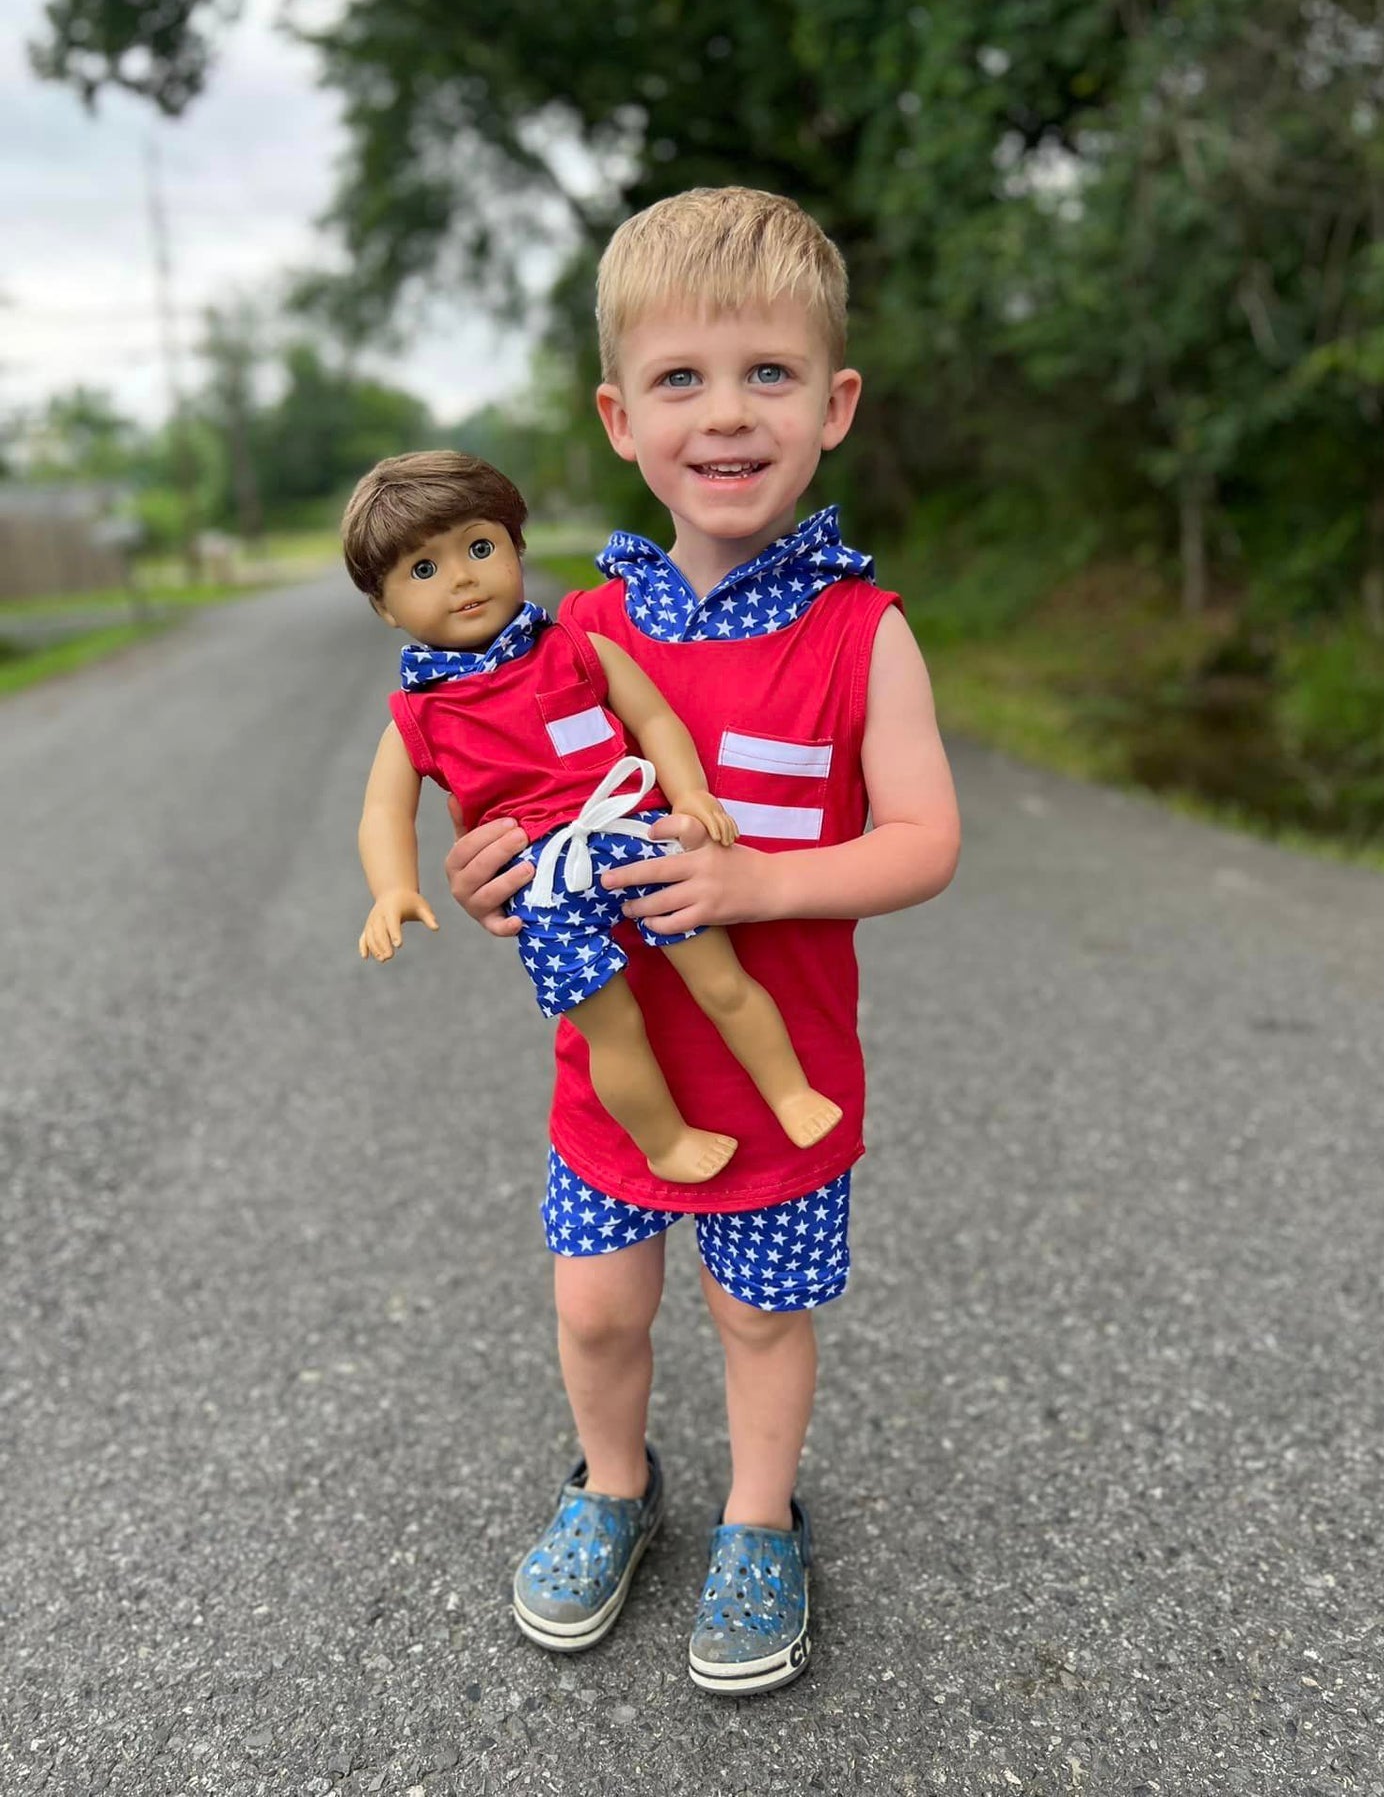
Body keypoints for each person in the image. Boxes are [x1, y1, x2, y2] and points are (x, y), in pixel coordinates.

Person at [445, 187, 960, 1694]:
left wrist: (756, 884)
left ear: (834, 404)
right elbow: (512, 806)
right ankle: (616, 1482)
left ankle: (757, 1512)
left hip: (781, 1068)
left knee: (756, 1307)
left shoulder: (865, 633)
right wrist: (492, 877)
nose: (725, 416)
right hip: (614, 1076)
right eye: (680, 378)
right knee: (598, 1301)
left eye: (768, 375)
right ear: (618, 414)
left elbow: (924, 841)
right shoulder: (572, 629)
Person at [343, 450, 843, 1186]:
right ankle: (664, 1140)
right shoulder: (418, 716)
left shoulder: (574, 647)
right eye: (423, 569)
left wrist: (689, 793)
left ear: (516, 549)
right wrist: (392, 887)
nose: (461, 577)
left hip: (630, 834)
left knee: (721, 980)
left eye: (480, 548)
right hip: (542, 887)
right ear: (385, 607)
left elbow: (655, 719)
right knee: (614, 1028)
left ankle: (789, 1089)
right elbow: (383, 809)